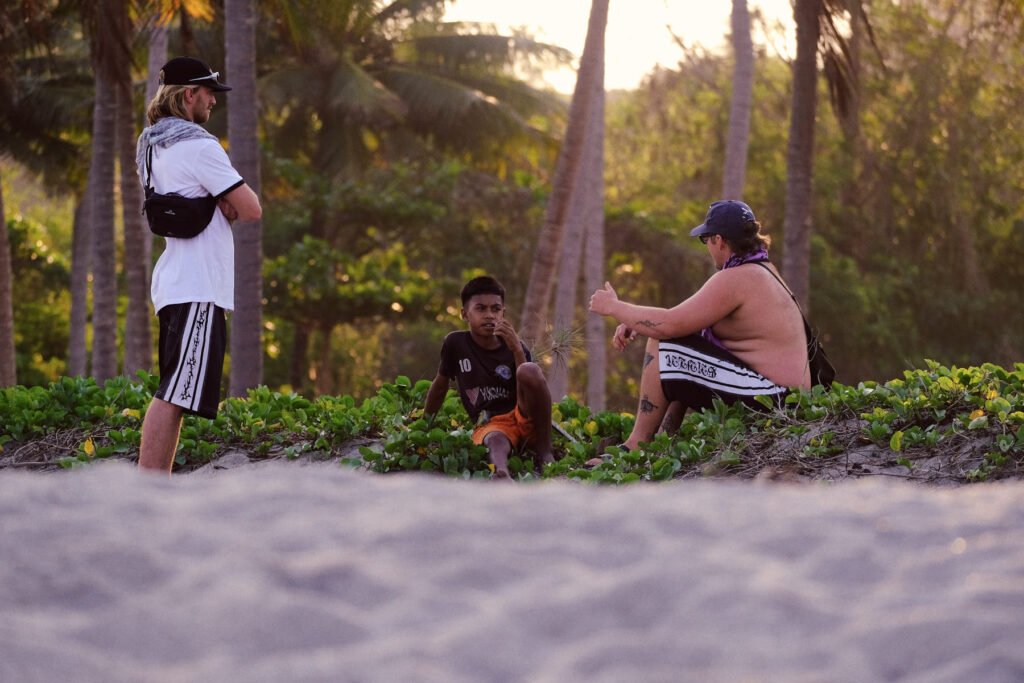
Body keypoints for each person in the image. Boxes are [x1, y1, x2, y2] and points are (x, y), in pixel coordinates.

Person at [589, 199, 810, 452]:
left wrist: (614, 308)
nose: (707, 246)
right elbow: (686, 322)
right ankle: (664, 437)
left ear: (719, 240)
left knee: (663, 345)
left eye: (705, 240)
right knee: (677, 346)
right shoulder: (761, 270)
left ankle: (635, 446)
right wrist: (637, 322)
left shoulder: (737, 278)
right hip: (787, 399)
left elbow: (669, 326)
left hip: (776, 401)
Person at [135, 57, 262, 473]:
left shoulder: (153, 147)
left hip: (173, 285)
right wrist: (221, 199)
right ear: (189, 95)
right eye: (209, 93)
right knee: (174, 393)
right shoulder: (200, 146)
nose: (213, 102)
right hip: (199, 287)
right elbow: (250, 208)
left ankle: (156, 484)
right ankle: (149, 487)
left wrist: (217, 200)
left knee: (176, 391)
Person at [424, 276, 554, 478]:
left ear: (503, 313)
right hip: (492, 422)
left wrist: (516, 350)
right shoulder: (455, 344)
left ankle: (545, 452)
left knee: (529, 370)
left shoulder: (515, 346)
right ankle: (501, 473)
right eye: (481, 309)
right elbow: (440, 386)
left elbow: (527, 388)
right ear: (465, 314)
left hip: (523, 413)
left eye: (495, 309)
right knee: (494, 439)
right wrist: (424, 425)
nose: (489, 315)